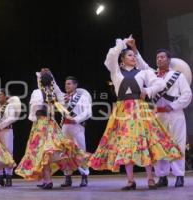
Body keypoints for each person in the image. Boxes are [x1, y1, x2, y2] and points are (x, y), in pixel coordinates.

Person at [88, 37, 182, 190]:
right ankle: (130, 181)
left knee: (144, 142)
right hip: (122, 111)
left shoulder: (143, 73)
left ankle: (150, 179)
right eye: (130, 55)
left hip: (140, 110)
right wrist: (122, 44)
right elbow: (111, 56)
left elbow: (161, 83)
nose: (133, 57)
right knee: (125, 145)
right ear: (123, 59)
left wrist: (149, 90)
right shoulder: (116, 72)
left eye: (134, 55)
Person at [128, 38, 192, 187]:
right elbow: (141, 64)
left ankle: (179, 175)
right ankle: (162, 176)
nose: (159, 59)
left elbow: (187, 95)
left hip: (175, 115)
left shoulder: (178, 76)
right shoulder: (152, 75)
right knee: (158, 144)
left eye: (162, 57)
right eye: (157, 57)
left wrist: (174, 105)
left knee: (177, 143)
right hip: (157, 116)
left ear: (169, 60)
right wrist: (134, 48)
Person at [15, 68, 90, 190]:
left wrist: (33, 118)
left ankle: (48, 180)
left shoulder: (37, 93)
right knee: (49, 151)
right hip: (52, 124)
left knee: (43, 152)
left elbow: (34, 111)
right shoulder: (53, 93)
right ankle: (47, 179)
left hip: (40, 125)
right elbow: (58, 98)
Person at [60, 76, 92, 187]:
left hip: (77, 127)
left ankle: (84, 176)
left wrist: (76, 119)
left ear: (75, 85)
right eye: (66, 84)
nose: (66, 86)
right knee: (65, 152)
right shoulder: (63, 98)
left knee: (81, 151)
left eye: (69, 84)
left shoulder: (82, 97)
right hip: (65, 127)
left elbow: (88, 112)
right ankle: (67, 177)